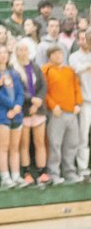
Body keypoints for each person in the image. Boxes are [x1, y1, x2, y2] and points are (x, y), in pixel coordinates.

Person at [42, 46, 82, 184]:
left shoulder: (69, 70)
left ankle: (70, 172)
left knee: (72, 143)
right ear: (50, 56)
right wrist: (53, 106)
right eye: (55, 54)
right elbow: (44, 91)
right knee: (55, 144)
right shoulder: (46, 70)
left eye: (60, 53)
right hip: (56, 114)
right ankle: (53, 173)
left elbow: (77, 87)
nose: (58, 56)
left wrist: (78, 103)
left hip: (72, 112)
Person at [0, 46, 25, 189]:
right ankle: (5, 177)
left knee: (15, 147)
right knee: (3, 146)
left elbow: (20, 92)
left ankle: (16, 176)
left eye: (5, 53)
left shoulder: (14, 73)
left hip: (16, 114)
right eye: (0, 53)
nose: (3, 56)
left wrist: (17, 107)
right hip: (1, 114)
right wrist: (11, 106)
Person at [12, 41, 49, 186]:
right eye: (20, 49)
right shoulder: (14, 69)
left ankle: (42, 172)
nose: (23, 52)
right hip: (24, 109)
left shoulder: (35, 66)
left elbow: (43, 85)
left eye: (25, 49)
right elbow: (18, 89)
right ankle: (26, 172)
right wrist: (31, 100)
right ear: (16, 52)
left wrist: (38, 99)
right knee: (24, 143)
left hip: (38, 109)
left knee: (40, 142)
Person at [69, 26, 91, 178]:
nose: (86, 41)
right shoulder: (74, 56)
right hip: (84, 101)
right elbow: (75, 70)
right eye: (83, 38)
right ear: (78, 40)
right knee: (83, 137)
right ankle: (82, 168)